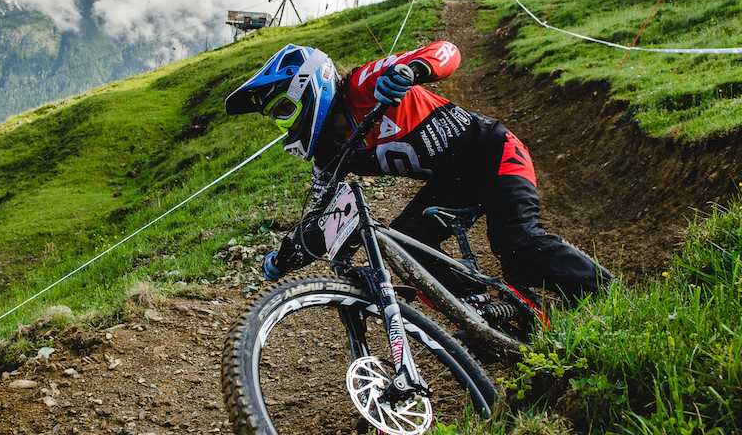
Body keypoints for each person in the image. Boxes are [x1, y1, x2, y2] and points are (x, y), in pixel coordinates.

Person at [224, 43, 613, 303]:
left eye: (282, 111)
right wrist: (285, 257)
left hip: (493, 152)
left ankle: (611, 297)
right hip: (453, 183)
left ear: (309, 88)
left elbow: (448, 51)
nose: (283, 124)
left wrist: (413, 70)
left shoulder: (365, 84)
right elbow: (321, 219)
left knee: (518, 244)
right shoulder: (330, 153)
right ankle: (480, 311)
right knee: (405, 248)